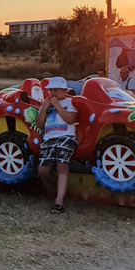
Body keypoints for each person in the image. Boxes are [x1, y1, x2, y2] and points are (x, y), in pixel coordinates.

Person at [36, 76, 78, 215]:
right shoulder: (46, 104)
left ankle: (59, 202)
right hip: (49, 138)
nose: (52, 93)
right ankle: (60, 187)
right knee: (43, 170)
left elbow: (70, 119)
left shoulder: (70, 101)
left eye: (56, 90)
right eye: (50, 90)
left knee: (62, 165)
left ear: (64, 91)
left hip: (66, 136)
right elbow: (40, 124)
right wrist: (44, 108)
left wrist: (58, 105)